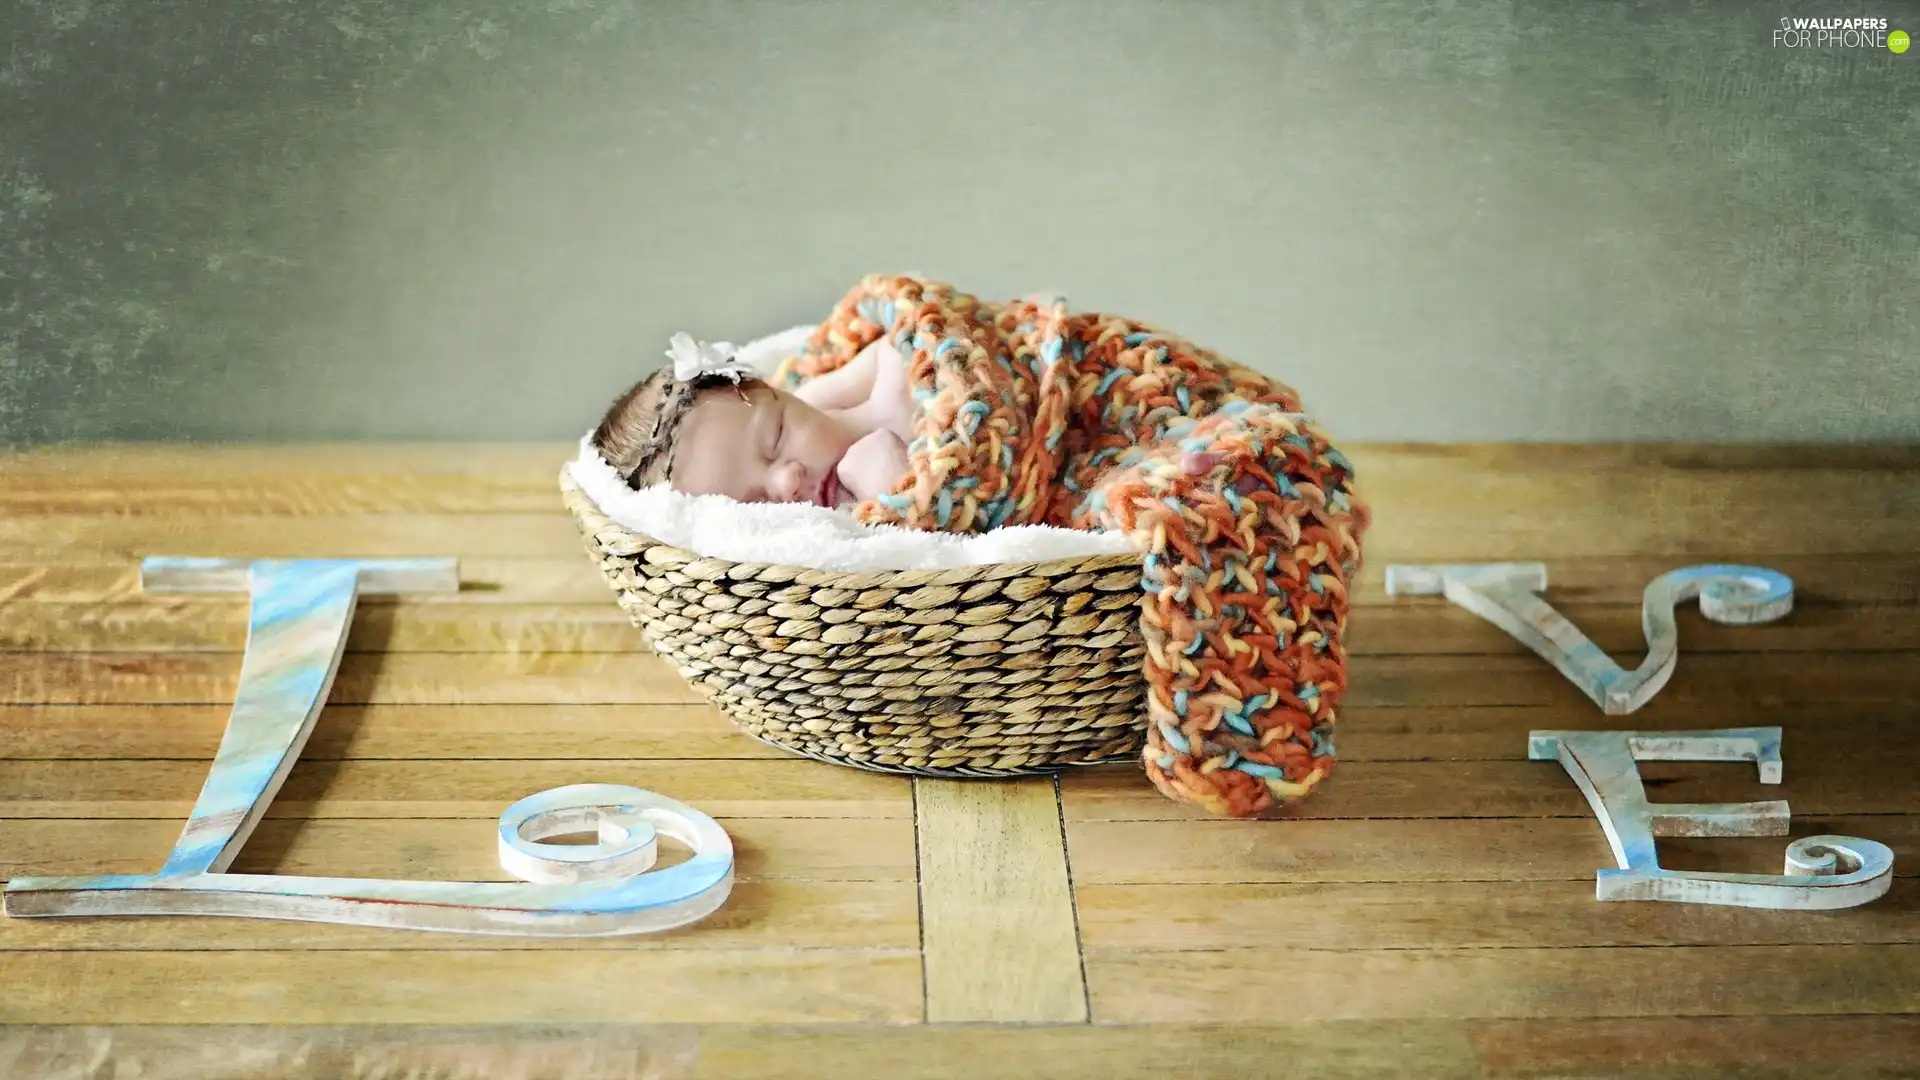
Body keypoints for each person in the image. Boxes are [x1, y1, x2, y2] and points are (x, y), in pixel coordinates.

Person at [592, 333, 915, 508]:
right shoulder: (838, 538)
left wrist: (897, 398)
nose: (786, 483)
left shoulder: (816, 396)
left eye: (776, 437)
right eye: (755, 502)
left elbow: (895, 343)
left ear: (775, 391)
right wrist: (896, 491)